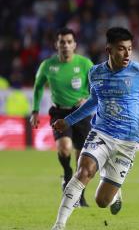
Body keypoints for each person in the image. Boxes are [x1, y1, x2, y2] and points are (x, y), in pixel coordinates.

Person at [50, 27, 139, 230]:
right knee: (84, 171)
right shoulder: (95, 73)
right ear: (109, 49)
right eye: (121, 49)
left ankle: (114, 193)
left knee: (102, 201)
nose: (127, 54)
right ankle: (59, 225)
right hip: (102, 132)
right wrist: (68, 121)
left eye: (130, 49)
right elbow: (93, 103)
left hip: (128, 141)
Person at [30, 27, 93, 207]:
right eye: (62, 42)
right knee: (64, 148)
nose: (65, 45)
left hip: (81, 113)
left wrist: (87, 98)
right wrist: (35, 110)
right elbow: (38, 86)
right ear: (56, 44)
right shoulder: (48, 65)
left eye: (68, 42)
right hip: (60, 113)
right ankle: (66, 174)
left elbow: (96, 86)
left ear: (75, 45)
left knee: (83, 159)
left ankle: (79, 195)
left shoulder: (85, 64)